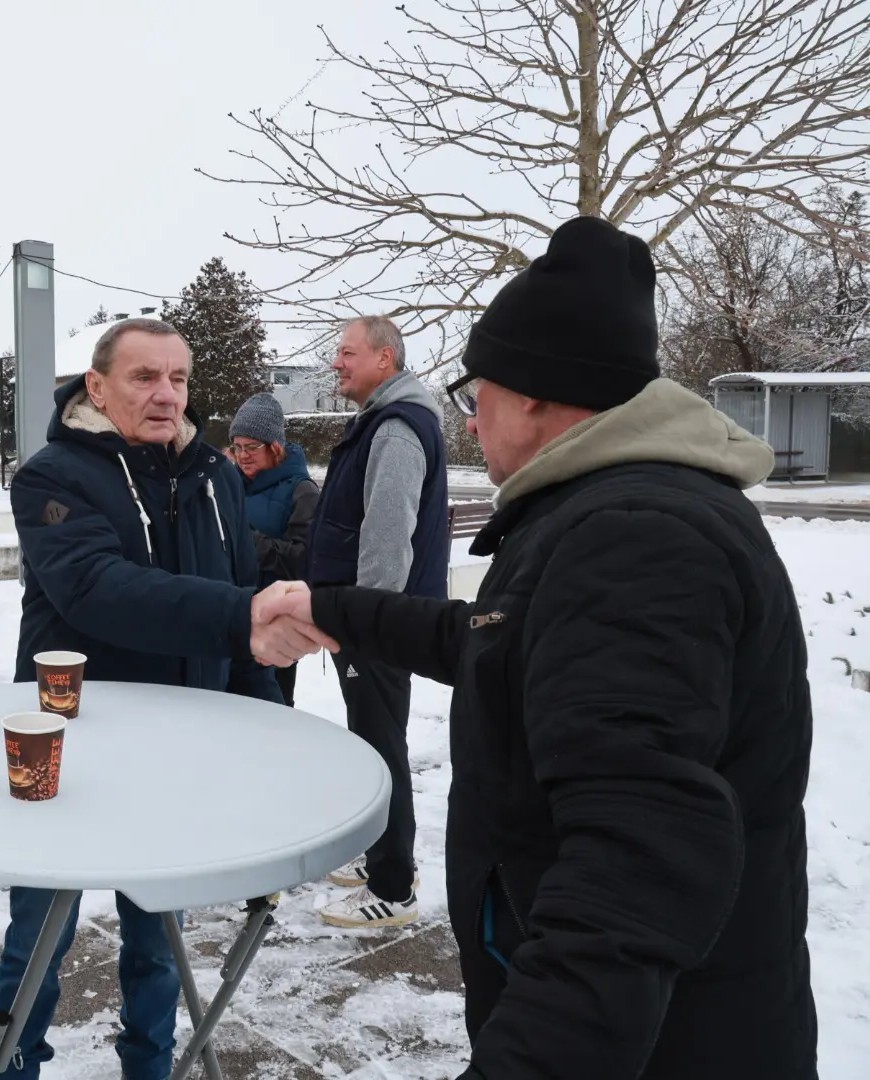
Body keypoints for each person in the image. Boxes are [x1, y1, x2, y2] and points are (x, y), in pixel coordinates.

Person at [262, 216, 816, 1079]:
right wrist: (332, 607)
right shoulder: (604, 507)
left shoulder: (635, 539)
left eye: (475, 392)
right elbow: (503, 640)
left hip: (671, 1039)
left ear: (533, 394)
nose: (471, 417)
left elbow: (633, 870)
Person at [0, 318, 329, 1080]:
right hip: (69, 749)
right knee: (39, 937)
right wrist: (241, 616)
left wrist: (273, 732)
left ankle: (148, 1068)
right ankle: (12, 1065)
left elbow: (239, 610)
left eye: (178, 378)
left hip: (179, 753)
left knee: (157, 941)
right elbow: (98, 590)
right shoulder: (51, 477)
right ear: (97, 386)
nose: (167, 394)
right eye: (145, 376)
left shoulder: (214, 476)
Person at [305, 316, 448, 929]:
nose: (336, 363)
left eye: (347, 352)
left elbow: (388, 537)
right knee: (372, 738)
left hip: (380, 621)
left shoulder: (395, 428)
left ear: (385, 359)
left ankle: (394, 888)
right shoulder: (381, 420)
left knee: (381, 743)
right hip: (373, 618)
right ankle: (380, 856)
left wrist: (367, 619)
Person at [227, 391, 319, 706]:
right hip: (231, 616)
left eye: (252, 446)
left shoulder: (302, 491)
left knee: (272, 711)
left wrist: (247, 542)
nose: (243, 455)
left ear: (275, 446)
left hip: (277, 624)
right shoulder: (228, 484)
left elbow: (303, 561)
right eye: (237, 447)